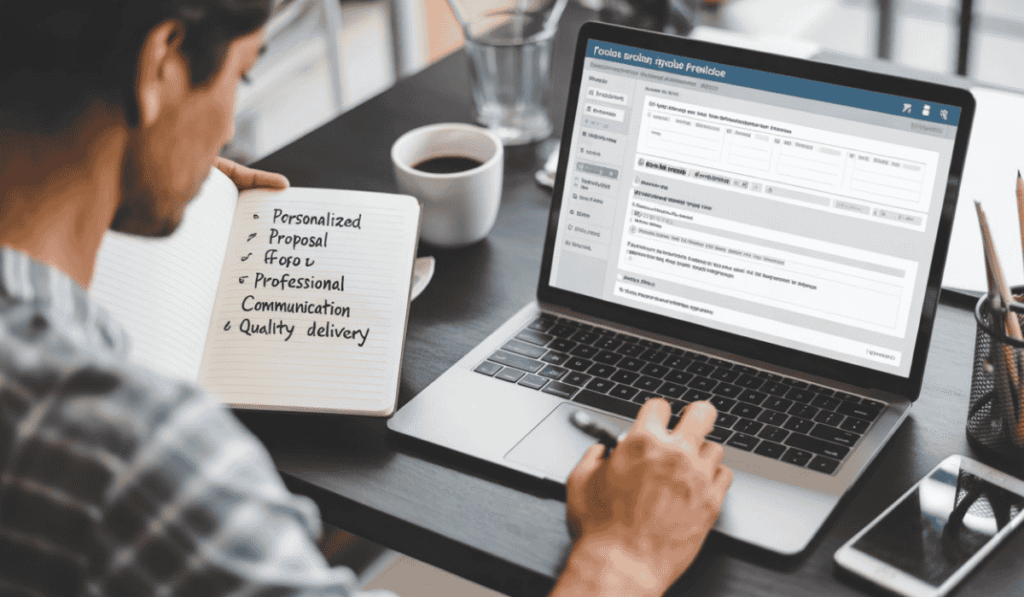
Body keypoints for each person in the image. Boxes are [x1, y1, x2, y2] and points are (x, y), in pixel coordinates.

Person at [0, 1, 732, 595]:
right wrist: (626, 558)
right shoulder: (138, 459)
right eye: (244, 76)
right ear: (159, 63)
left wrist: (133, 186)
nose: (228, 131)